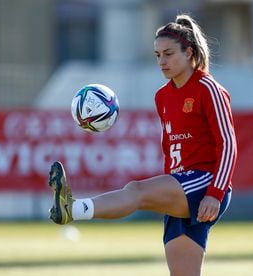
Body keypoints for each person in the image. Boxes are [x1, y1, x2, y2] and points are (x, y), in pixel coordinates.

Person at [48, 14, 237, 276]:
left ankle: (73, 209)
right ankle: (73, 208)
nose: (162, 61)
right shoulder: (162, 96)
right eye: (157, 55)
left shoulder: (208, 88)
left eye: (169, 54)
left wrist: (215, 193)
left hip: (204, 183)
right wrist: (172, 184)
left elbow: (228, 145)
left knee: (137, 190)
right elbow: (170, 147)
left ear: (189, 52)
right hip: (180, 184)